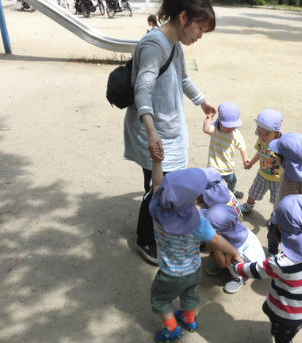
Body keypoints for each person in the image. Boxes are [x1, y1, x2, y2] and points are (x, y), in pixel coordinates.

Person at [123, 0, 217, 264]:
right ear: (184, 17)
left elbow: (183, 78)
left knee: (170, 188)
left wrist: (201, 101)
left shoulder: (175, 44)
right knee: (156, 189)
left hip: (169, 129)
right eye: (200, 28)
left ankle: (170, 231)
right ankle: (146, 240)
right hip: (153, 132)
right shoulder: (154, 45)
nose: (200, 36)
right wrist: (152, 131)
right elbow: (143, 88)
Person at [148, 161, 242, 342]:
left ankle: (173, 330)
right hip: (193, 269)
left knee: (159, 300)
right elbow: (215, 239)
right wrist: (234, 252)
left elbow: (157, 183)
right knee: (190, 295)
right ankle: (189, 320)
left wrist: (156, 161)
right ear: (193, 200)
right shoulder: (198, 221)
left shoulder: (157, 211)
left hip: (169, 274)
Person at [229, 195, 302, 343]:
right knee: (290, 329)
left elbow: (255, 270)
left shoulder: (281, 262)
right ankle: (296, 328)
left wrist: (235, 266)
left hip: (283, 312)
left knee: (280, 336)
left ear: (280, 229)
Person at [266, 132, 302, 254]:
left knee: (287, 244)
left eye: (277, 156)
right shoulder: (286, 170)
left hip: (290, 223)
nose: (275, 158)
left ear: (287, 161)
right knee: (272, 237)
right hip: (277, 213)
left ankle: (284, 258)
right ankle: (272, 254)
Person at [203, 204, 266, 293]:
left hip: (248, 262)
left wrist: (216, 245)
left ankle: (238, 277)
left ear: (217, 232)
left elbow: (223, 264)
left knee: (233, 264)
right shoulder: (231, 228)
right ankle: (227, 265)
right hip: (229, 247)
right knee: (218, 251)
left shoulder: (234, 245)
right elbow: (209, 248)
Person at [239, 109, 283, 214]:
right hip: (262, 174)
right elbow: (259, 152)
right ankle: (249, 205)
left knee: (276, 200)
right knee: (253, 192)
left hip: (277, 179)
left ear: (276, 133)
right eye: (259, 132)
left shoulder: (281, 145)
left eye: (267, 134)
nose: (262, 137)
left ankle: (275, 215)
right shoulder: (261, 140)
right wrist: (251, 163)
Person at [203, 101, 249, 199]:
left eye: (233, 126)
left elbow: (242, 146)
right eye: (227, 126)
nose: (230, 129)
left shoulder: (235, 134)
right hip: (214, 168)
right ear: (219, 121)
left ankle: (231, 192)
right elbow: (206, 129)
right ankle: (212, 198)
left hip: (228, 168)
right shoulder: (215, 130)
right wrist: (209, 117)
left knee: (233, 181)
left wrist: (245, 159)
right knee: (215, 186)